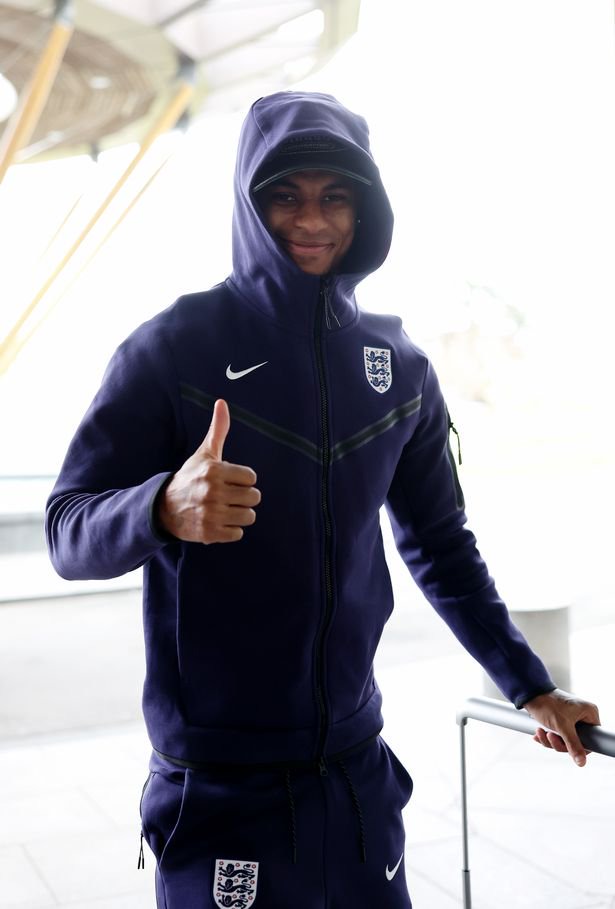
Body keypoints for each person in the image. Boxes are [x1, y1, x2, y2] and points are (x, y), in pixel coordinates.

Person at [45, 91, 599, 909]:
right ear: (248, 201)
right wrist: (160, 506)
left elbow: (441, 543)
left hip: (355, 774)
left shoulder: (398, 364)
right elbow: (65, 530)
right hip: (218, 788)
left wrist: (527, 682)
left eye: (334, 195)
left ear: (364, 208)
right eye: (285, 195)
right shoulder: (171, 348)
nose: (312, 219)